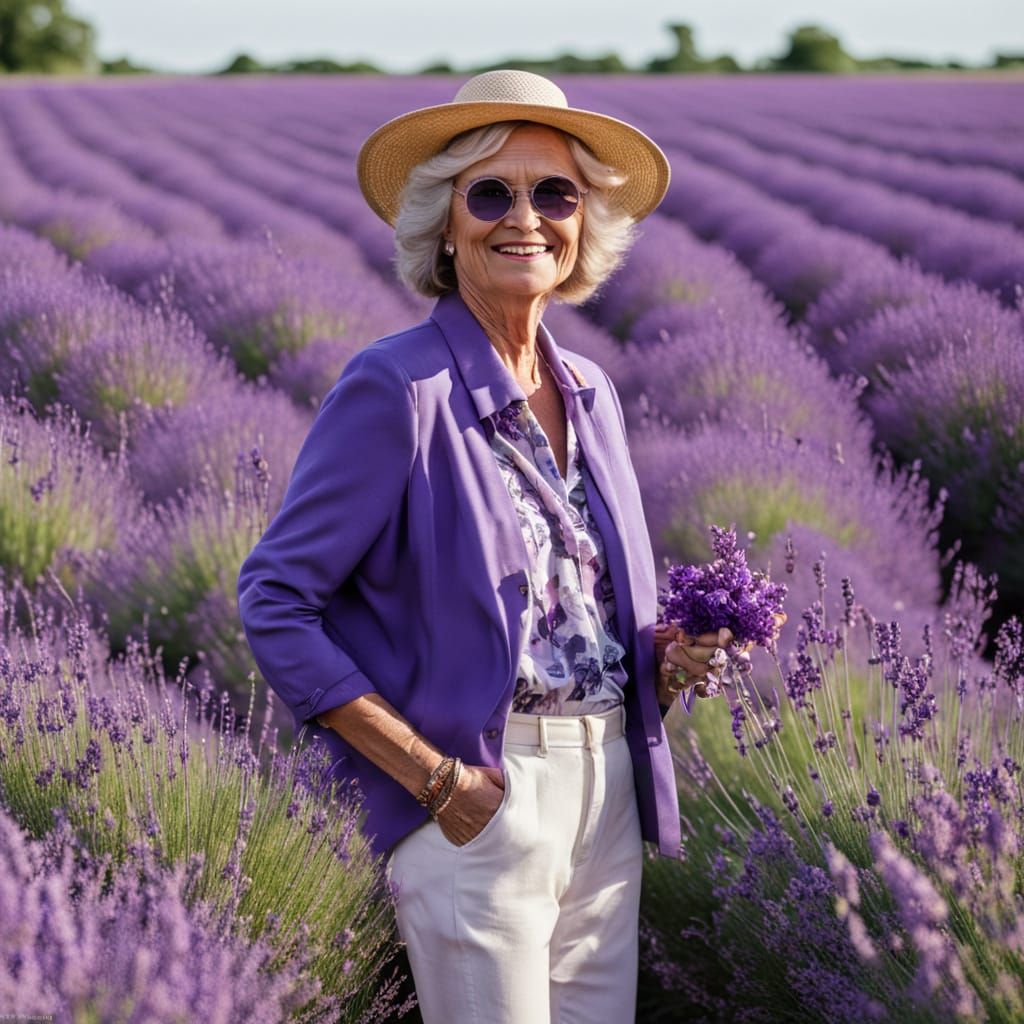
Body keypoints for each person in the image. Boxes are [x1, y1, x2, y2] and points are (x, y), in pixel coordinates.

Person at [238, 69, 746, 1024]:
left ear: (583, 224)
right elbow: (274, 600)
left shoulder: (592, 389)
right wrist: (435, 782)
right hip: (477, 793)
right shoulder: (398, 388)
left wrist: (666, 662)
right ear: (444, 223)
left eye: (554, 193)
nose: (526, 217)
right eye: (491, 192)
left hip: (609, 792)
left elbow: (575, 609)